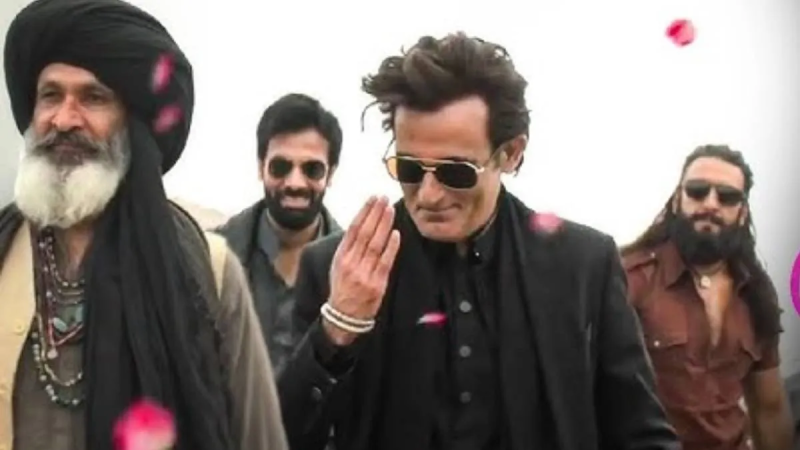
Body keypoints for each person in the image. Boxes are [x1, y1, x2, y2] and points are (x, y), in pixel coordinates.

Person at [278, 32, 680, 450]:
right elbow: (277, 435)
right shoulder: (335, 267)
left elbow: (641, 434)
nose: (429, 195)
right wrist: (338, 329)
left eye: (456, 172)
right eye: (409, 169)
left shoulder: (582, 266)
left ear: (511, 154)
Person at [0, 0, 288, 449]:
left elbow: (259, 439)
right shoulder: (4, 251)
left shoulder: (209, 271)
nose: (64, 119)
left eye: (93, 98)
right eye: (50, 95)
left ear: (131, 123)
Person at [621, 145, 793, 450]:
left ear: (742, 213)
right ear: (677, 201)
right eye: (697, 191)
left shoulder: (755, 293)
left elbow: (769, 410)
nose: (711, 204)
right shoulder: (630, 279)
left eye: (727, 197)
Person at [217, 93, 342, 376]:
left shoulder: (354, 269)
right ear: (261, 167)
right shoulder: (211, 260)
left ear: (331, 174)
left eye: (312, 169)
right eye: (280, 167)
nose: (295, 183)